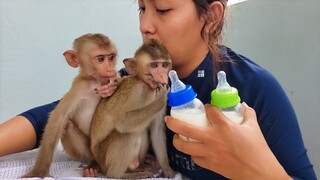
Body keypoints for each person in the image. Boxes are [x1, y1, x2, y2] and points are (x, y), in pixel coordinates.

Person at [0, 0, 316, 179]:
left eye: (162, 10)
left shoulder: (256, 89)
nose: (145, 25)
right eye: (141, 8)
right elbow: (52, 115)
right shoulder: (137, 78)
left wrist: (254, 168)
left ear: (211, 15)